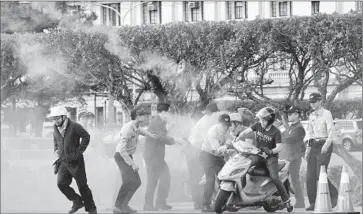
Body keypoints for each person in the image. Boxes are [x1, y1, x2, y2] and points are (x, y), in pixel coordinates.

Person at [236, 107, 293, 213]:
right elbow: (246, 132)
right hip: (258, 155)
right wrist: (237, 138)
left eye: (263, 120)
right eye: (261, 119)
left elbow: (279, 147)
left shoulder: (276, 132)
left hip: (271, 157)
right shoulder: (257, 125)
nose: (261, 122)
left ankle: (287, 200)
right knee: (243, 167)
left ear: (270, 120)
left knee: (275, 177)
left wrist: (270, 152)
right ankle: (240, 193)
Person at [49, 106, 97, 214]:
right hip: (63, 162)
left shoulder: (75, 126)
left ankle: (91, 208)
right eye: (54, 119)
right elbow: (55, 138)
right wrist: (56, 148)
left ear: (63, 117)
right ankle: (77, 201)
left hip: (76, 162)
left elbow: (86, 137)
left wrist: (78, 152)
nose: (55, 121)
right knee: (61, 184)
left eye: (57, 118)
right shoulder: (55, 127)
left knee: (82, 186)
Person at [113, 107, 157, 214]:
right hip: (121, 156)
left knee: (137, 182)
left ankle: (124, 205)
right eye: (143, 115)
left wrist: (150, 135)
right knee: (128, 181)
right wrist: (132, 164)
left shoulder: (135, 126)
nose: (146, 117)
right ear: (137, 116)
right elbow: (122, 150)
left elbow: (140, 131)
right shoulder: (127, 128)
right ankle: (118, 206)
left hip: (127, 156)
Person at [304, 92, 338, 211]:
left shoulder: (327, 114)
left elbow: (331, 132)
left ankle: (334, 195)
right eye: (311, 102)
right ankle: (313, 203)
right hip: (314, 144)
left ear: (320, 101)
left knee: (320, 173)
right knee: (310, 176)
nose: (312, 104)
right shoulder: (311, 115)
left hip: (325, 144)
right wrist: (308, 149)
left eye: (314, 102)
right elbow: (310, 132)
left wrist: (326, 145)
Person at [185, 102, 220, 210]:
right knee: (198, 176)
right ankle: (199, 202)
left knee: (198, 176)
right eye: (216, 113)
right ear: (212, 112)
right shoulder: (206, 122)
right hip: (194, 151)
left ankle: (199, 202)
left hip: (194, 150)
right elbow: (208, 140)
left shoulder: (207, 120)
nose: (217, 115)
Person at [143, 103, 176, 211]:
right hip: (152, 156)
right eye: (168, 112)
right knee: (153, 181)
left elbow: (164, 135)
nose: (170, 114)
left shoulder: (161, 121)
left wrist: (170, 128)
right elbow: (161, 137)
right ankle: (148, 205)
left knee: (165, 179)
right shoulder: (156, 121)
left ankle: (160, 202)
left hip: (158, 157)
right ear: (163, 112)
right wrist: (175, 141)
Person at [200, 114, 234, 212]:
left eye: (228, 125)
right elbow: (216, 149)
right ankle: (205, 205)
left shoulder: (228, 131)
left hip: (218, 157)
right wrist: (227, 148)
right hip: (207, 155)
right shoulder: (212, 131)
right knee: (210, 180)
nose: (226, 127)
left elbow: (231, 139)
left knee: (227, 176)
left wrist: (231, 144)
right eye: (224, 125)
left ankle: (225, 203)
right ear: (219, 123)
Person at [280, 106, 306, 208]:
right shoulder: (291, 127)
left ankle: (300, 202)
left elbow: (287, 139)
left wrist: (281, 138)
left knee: (295, 180)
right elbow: (281, 136)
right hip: (287, 157)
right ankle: (285, 201)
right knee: (284, 180)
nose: (288, 115)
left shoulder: (299, 128)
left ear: (297, 114)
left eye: (291, 114)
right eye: (288, 114)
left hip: (294, 158)